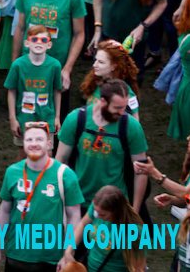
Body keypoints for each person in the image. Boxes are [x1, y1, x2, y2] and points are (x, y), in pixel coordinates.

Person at [0, 121, 84, 271]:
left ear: (49, 143)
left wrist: (67, 253)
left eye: (39, 139)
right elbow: (4, 210)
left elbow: (74, 216)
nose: (34, 144)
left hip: (51, 259)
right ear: (23, 143)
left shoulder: (65, 175)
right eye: (29, 140)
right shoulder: (12, 172)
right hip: (16, 255)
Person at [56, 79, 150, 215]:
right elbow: (60, 162)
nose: (122, 113)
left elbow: (141, 171)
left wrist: (134, 211)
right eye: (117, 108)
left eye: (124, 107)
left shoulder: (131, 127)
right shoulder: (76, 119)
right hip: (79, 200)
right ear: (103, 101)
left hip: (114, 204)